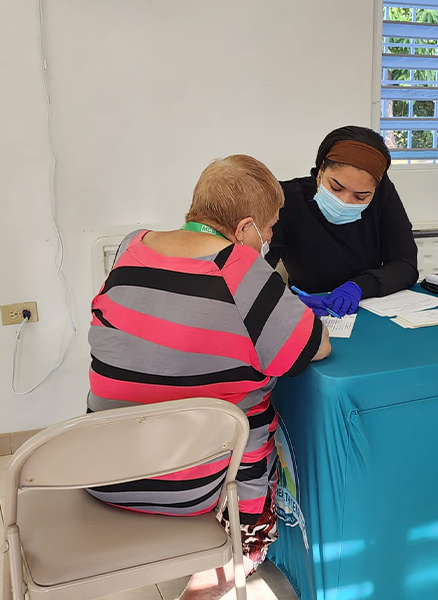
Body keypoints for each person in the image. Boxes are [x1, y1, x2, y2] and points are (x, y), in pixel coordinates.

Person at [87, 155, 330, 600]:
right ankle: (234, 555)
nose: (270, 239)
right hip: (192, 487)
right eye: (269, 228)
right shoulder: (238, 266)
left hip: (102, 468)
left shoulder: (130, 247)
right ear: (244, 229)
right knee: (257, 414)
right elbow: (311, 347)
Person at [266, 126, 418, 317]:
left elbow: (405, 265)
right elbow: (252, 272)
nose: (345, 201)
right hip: (309, 306)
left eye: (361, 197)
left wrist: (359, 286)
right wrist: (286, 302)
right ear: (321, 169)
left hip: (366, 305)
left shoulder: (382, 196)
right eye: (336, 188)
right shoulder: (285, 199)